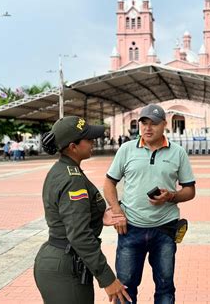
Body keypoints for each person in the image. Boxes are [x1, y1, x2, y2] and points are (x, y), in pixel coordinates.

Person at [103, 104, 196, 304]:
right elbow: (109, 182)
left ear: (164, 125)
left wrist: (171, 196)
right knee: (125, 287)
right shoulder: (127, 149)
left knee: (165, 287)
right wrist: (117, 212)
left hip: (165, 230)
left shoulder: (177, 152)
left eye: (153, 123)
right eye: (144, 123)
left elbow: (190, 190)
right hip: (130, 229)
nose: (147, 128)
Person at [34, 116, 131, 304]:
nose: (93, 142)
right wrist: (108, 279)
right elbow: (79, 235)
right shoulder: (72, 179)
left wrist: (98, 216)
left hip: (59, 259)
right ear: (73, 146)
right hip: (66, 266)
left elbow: (68, 214)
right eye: (88, 140)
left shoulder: (62, 170)